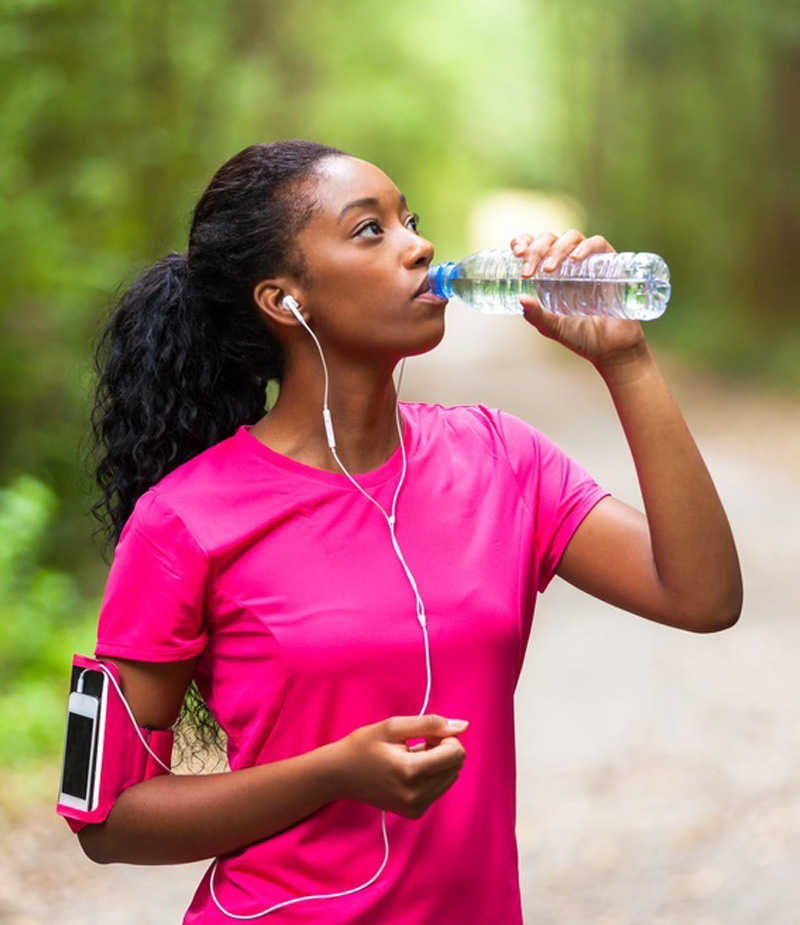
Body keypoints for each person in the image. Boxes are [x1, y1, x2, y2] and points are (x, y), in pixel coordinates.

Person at [76, 139, 742, 924]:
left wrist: (626, 361)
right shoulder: (181, 521)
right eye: (371, 229)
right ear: (285, 300)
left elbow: (703, 595)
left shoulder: (501, 457)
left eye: (411, 221)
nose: (419, 246)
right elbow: (106, 820)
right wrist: (329, 773)